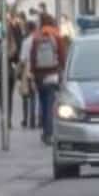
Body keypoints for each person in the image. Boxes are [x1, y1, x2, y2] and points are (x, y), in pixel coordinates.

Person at [27, 13, 66, 145]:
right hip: (52, 74)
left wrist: (32, 72)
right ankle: (49, 133)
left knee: (43, 104)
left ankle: (45, 130)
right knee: (50, 105)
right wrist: (62, 69)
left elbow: (32, 57)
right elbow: (62, 56)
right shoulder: (57, 35)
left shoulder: (36, 37)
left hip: (39, 75)